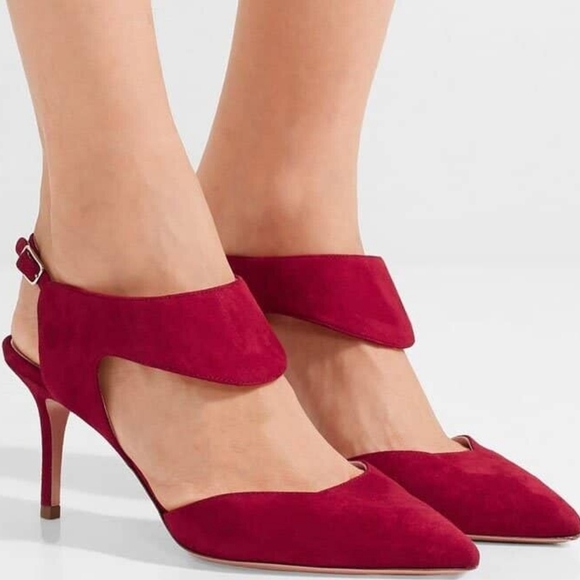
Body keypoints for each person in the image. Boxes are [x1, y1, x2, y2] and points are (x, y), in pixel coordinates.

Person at [3, 0, 577, 574]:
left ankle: (275, 220)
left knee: (290, 182)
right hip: (107, 281)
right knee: (124, 206)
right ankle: (118, 251)